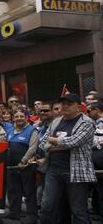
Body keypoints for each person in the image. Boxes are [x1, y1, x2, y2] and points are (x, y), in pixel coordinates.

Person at [39, 93, 96, 224]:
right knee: (47, 206)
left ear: (79, 106)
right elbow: (42, 143)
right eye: (62, 103)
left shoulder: (87, 122)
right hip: (53, 170)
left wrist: (53, 141)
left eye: (69, 104)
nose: (64, 106)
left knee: (78, 210)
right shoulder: (56, 121)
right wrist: (60, 144)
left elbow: (73, 141)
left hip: (76, 171)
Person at [4, 111, 38, 224]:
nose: (19, 118)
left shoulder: (32, 130)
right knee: (13, 191)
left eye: (21, 116)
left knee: (29, 192)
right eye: (17, 116)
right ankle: (14, 213)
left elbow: (33, 147)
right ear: (13, 118)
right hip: (11, 167)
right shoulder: (9, 131)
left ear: (26, 118)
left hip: (26, 166)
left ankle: (32, 217)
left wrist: (23, 161)